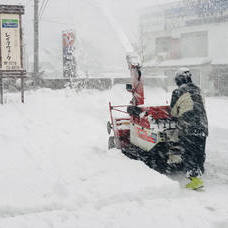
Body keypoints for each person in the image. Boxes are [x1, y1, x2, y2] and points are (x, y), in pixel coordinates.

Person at [170, 67, 208, 189]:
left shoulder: (177, 92)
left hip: (188, 127)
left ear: (178, 80)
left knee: (189, 154)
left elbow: (173, 112)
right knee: (198, 153)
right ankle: (198, 175)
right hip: (202, 126)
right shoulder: (199, 90)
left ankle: (195, 181)